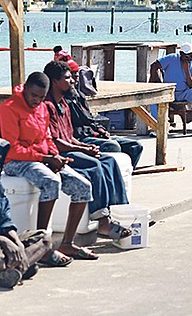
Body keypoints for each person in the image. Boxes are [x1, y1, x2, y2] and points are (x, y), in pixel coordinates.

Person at [0, 71, 94, 265]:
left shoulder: (42, 108)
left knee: (83, 186)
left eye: (41, 97)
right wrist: (45, 157)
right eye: (34, 96)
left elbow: (47, 137)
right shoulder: (9, 109)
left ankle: (67, 243)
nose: (37, 101)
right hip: (15, 161)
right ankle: (43, 247)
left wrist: (54, 156)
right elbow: (12, 149)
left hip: (42, 158)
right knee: (50, 182)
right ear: (25, 89)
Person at [43, 61, 131, 245]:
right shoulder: (47, 106)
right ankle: (103, 222)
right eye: (67, 78)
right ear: (55, 81)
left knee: (110, 161)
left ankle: (119, 212)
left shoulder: (63, 105)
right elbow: (56, 142)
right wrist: (83, 149)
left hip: (71, 147)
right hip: (57, 154)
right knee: (94, 164)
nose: (72, 82)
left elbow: (69, 136)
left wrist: (85, 147)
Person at [0, 133, 52, 288]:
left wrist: (17, 244)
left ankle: (11, 268)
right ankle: (15, 268)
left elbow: (5, 220)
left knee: (44, 238)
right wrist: (3, 241)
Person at [64, 60, 144, 169]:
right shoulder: (63, 102)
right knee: (113, 146)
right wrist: (94, 133)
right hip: (82, 138)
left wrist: (100, 129)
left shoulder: (79, 96)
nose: (76, 78)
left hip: (93, 133)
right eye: (72, 75)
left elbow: (90, 119)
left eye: (77, 74)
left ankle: (123, 175)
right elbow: (73, 131)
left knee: (135, 146)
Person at [149, 43, 192, 136]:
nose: (187, 58)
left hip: (184, 92)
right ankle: (156, 127)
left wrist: (186, 71)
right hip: (169, 91)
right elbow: (154, 66)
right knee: (154, 98)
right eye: (185, 55)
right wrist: (154, 81)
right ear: (181, 53)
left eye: (190, 55)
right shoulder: (172, 58)